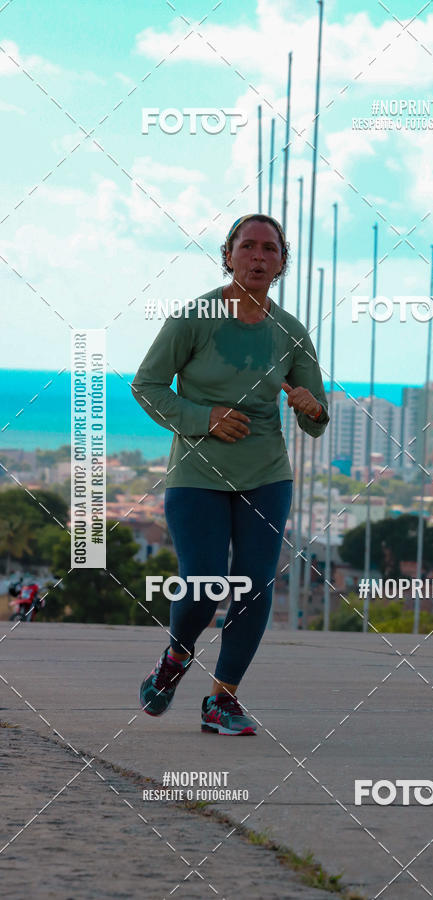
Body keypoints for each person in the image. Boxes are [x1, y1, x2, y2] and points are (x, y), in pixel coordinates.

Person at [133, 213, 330, 735]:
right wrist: (205, 419)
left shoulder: (290, 332)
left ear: (282, 262)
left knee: (254, 586)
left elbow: (316, 417)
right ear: (228, 254)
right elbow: (146, 386)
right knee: (203, 584)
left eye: (270, 249)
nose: (258, 257)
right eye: (248, 246)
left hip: (267, 475)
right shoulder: (193, 318)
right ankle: (176, 657)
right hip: (197, 474)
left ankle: (222, 700)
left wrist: (312, 407)